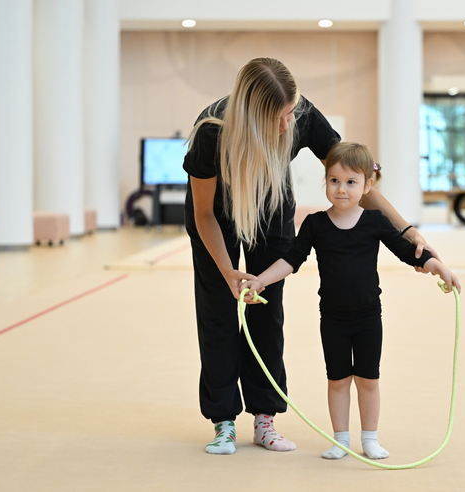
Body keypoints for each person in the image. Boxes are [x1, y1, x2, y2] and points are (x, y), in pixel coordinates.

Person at [182, 58, 442, 455]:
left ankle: (265, 417)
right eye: (278, 118)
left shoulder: (300, 114)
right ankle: (223, 421)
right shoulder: (211, 133)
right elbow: (203, 214)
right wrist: (225, 269)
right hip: (215, 215)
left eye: (290, 113)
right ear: (252, 116)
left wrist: (406, 230)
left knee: (266, 307)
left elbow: (356, 173)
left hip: (269, 203)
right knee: (218, 310)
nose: (288, 125)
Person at [240, 142, 461, 460]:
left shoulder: (374, 221)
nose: (341, 189)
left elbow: (405, 251)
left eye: (351, 182)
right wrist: (260, 279)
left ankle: (369, 438)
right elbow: (291, 260)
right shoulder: (315, 224)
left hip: (368, 317)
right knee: (338, 380)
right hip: (332, 319)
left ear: (368, 185)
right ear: (326, 181)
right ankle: (341, 439)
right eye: (334, 181)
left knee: (368, 380)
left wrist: (438, 266)